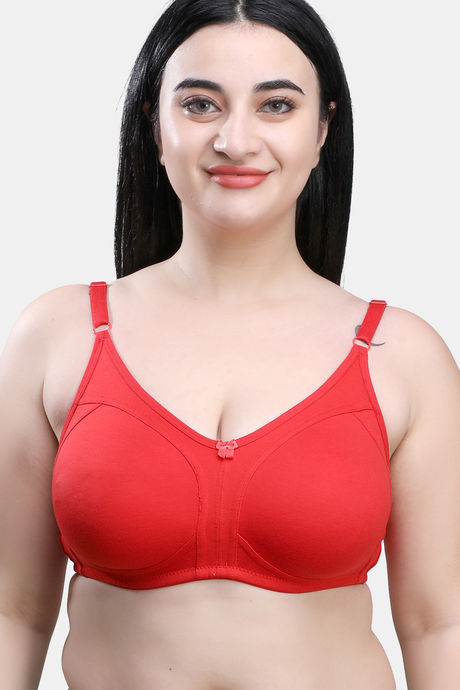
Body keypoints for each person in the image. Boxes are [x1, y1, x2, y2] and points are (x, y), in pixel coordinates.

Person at [1, 0, 459, 688]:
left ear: (322, 130)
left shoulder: (405, 356)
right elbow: (13, 612)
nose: (236, 140)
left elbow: (439, 625)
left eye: (276, 105)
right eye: (200, 105)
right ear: (154, 128)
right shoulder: (55, 335)